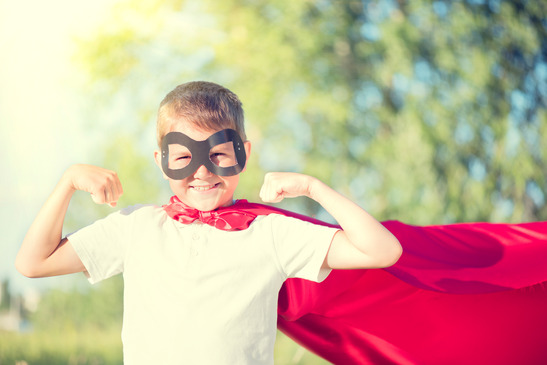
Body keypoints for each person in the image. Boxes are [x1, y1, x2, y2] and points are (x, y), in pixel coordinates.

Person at [15, 81, 403, 364]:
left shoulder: (271, 233)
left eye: (219, 153)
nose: (202, 170)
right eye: (183, 158)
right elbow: (33, 263)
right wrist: (67, 183)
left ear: (243, 153)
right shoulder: (135, 228)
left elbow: (383, 250)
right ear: (160, 159)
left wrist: (313, 187)